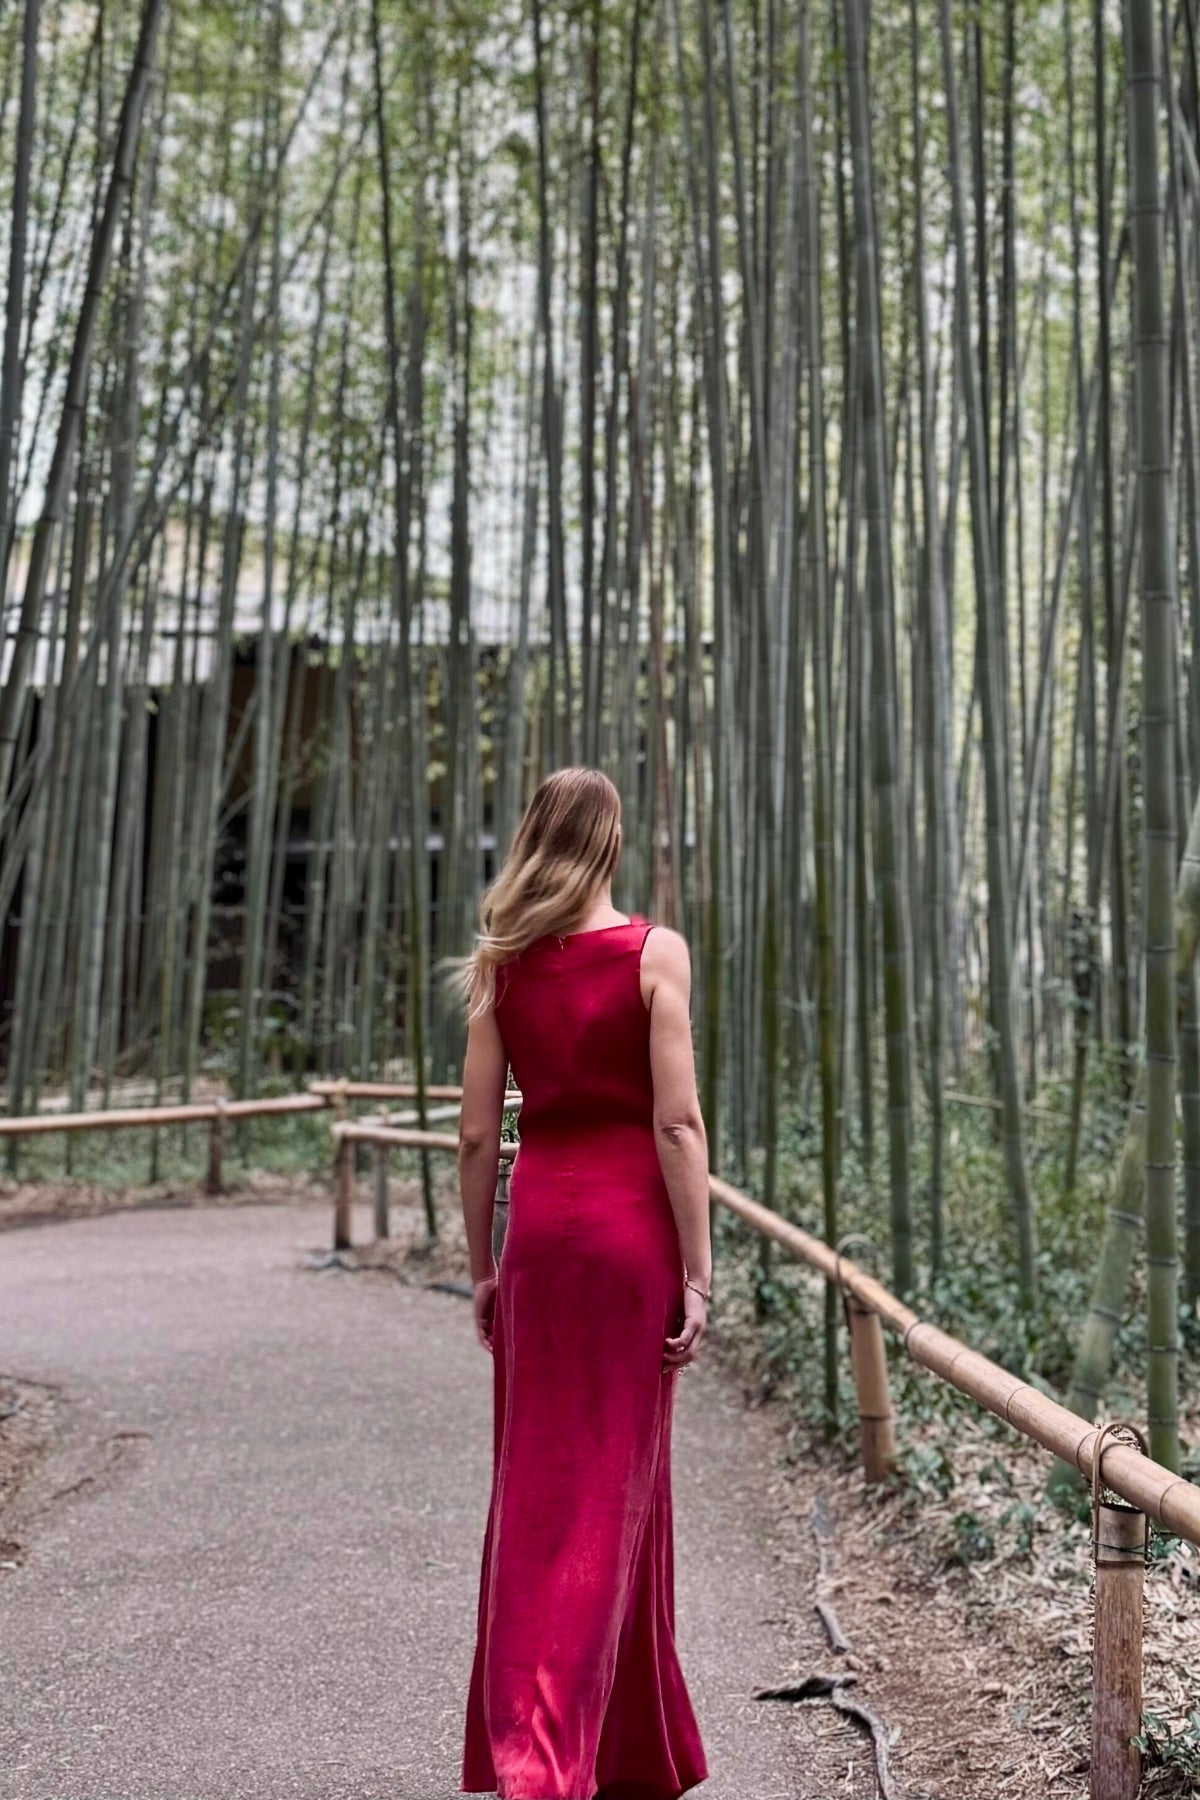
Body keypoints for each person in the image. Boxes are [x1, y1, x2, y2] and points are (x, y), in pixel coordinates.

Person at [453, 765, 712, 1800]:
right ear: (609, 844)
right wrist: (699, 1271)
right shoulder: (654, 953)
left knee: (540, 1486)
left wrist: (480, 1267)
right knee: (615, 1483)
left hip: (537, 1244)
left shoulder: (503, 965)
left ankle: (630, 1750)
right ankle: (547, 1760)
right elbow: (677, 1123)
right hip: (630, 1238)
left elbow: (477, 1136)